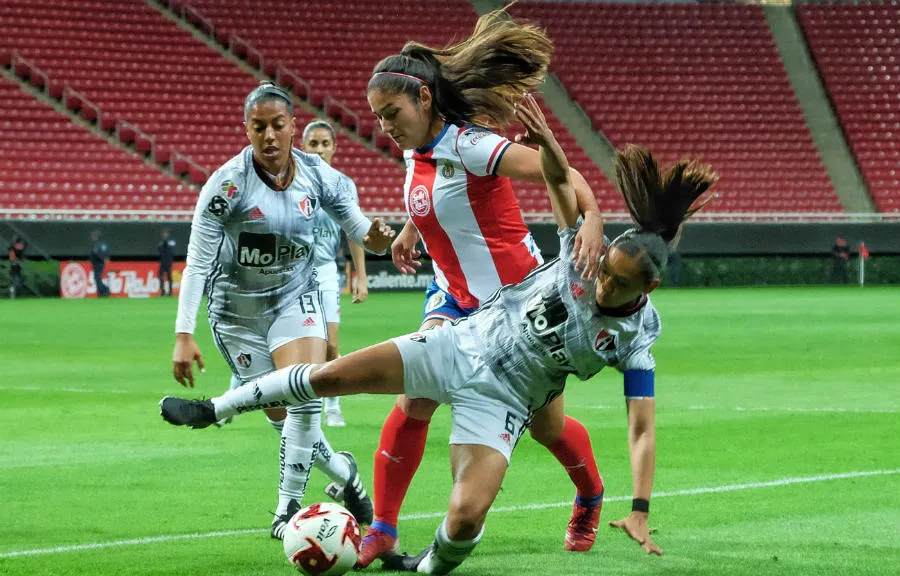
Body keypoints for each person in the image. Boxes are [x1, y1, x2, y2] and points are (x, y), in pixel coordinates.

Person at [160, 94, 718, 573]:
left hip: (512, 366)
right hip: (463, 329)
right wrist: (550, 156)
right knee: (360, 385)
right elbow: (530, 186)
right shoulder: (574, 251)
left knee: (525, 457)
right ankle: (357, 508)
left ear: (649, 288)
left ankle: (589, 494)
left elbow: (641, 426)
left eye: (616, 283)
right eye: (379, 114)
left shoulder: (637, 335)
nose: (599, 284)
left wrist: (639, 505)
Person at [358, 9, 608, 564]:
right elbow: (433, 189)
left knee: (548, 426)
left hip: (516, 306)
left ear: (424, 100)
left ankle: (590, 494)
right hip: (451, 297)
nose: (385, 126)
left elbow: (559, 171)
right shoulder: (413, 144)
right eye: (377, 117)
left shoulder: (474, 146)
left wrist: (590, 219)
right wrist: (409, 230)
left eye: (391, 113)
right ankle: (383, 528)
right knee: (415, 396)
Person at [169, 81, 394, 539]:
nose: (269, 136)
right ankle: (343, 471)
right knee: (278, 412)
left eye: (277, 125)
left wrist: (379, 239)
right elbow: (196, 262)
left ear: (292, 127)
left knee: (305, 391)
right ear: (246, 130)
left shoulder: (320, 176)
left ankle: (285, 507)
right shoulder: (226, 185)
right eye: (259, 127)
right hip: (237, 313)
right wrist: (183, 333)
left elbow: (359, 226)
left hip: (297, 296)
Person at [302, 119, 369, 428]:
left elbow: (354, 233)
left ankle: (333, 405)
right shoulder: (292, 181)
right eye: (313, 144)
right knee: (290, 343)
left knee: (330, 345)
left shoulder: (344, 185)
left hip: (326, 271)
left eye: (324, 144)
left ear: (334, 148)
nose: (319, 149)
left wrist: (361, 276)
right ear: (303, 146)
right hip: (293, 273)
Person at [89, 229, 110, 297]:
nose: (92, 237)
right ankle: (103, 291)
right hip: (97, 263)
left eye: (93, 236)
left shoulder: (99, 244)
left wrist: (103, 259)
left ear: (96, 237)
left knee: (97, 277)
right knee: (97, 278)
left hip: (98, 263)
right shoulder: (100, 244)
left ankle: (104, 291)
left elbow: (97, 253)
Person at [158, 230, 176, 296]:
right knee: (160, 276)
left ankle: (170, 292)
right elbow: (159, 249)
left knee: (169, 278)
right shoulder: (161, 243)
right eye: (164, 234)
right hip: (162, 263)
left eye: (166, 234)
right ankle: (163, 291)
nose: (165, 235)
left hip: (168, 263)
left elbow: (172, 250)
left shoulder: (171, 243)